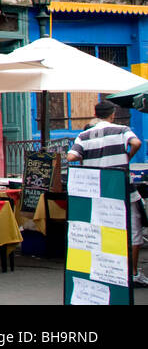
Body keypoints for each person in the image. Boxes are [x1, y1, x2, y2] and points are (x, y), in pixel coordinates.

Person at [67, 100, 145, 287]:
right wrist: (127, 157)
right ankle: (132, 272)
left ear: (96, 114)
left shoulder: (84, 135)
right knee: (133, 230)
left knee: (101, 230)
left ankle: (105, 270)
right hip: (121, 186)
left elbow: (71, 156)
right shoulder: (121, 130)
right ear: (112, 114)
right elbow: (136, 142)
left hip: (97, 190)